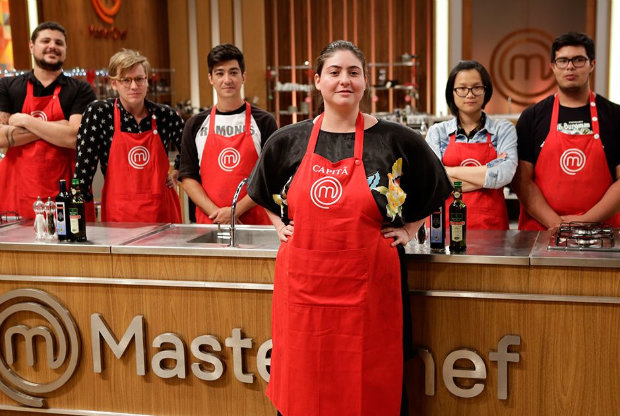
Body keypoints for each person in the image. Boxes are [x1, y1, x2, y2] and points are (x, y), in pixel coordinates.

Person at [247, 40, 452, 416]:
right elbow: (258, 190)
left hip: (369, 293)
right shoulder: (287, 140)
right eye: (335, 72)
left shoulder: (396, 139)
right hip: (303, 295)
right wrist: (279, 223)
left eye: (353, 72)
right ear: (318, 82)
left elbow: (438, 188)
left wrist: (409, 230)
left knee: (368, 385)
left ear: (365, 82)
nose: (345, 80)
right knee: (304, 385)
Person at [513, 32, 620, 230]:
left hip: (602, 235)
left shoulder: (615, 116)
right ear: (553, 66)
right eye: (562, 60)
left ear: (592, 65)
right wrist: (556, 224)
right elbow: (522, 181)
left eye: (578, 60)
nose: (570, 66)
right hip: (541, 234)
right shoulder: (532, 117)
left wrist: (585, 221)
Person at [74, 49, 183, 223]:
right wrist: (81, 223)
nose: (134, 86)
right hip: (119, 219)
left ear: (147, 80)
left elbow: (192, 152)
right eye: (126, 80)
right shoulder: (100, 113)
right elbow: (82, 175)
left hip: (162, 216)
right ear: (113, 83)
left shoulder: (165, 115)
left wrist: (178, 171)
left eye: (139, 79)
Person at [0, 21, 95, 219]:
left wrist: (26, 121)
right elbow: (1, 138)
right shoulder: (7, 86)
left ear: (66, 49)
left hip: (67, 192)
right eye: (46, 41)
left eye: (59, 43)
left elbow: (74, 138)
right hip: (17, 193)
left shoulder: (81, 89)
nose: (53, 46)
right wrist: (59, 127)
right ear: (31, 46)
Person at [178, 44, 277, 224]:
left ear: (243, 77)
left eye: (233, 72)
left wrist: (235, 211)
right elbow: (188, 177)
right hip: (211, 224)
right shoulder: (195, 124)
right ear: (210, 78)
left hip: (255, 224)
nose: (227, 79)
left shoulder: (264, 122)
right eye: (220, 73)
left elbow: (270, 177)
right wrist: (219, 215)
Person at [425, 60, 517, 229]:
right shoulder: (438, 132)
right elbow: (432, 182)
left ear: (485, 90)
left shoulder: (503, 130)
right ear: (451, 92)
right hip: (445, 228)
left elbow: (504, 174)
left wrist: (448, 172)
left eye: (477, 87)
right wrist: (487, 175)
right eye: (462, 88)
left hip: (491, 230)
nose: (470, 94)